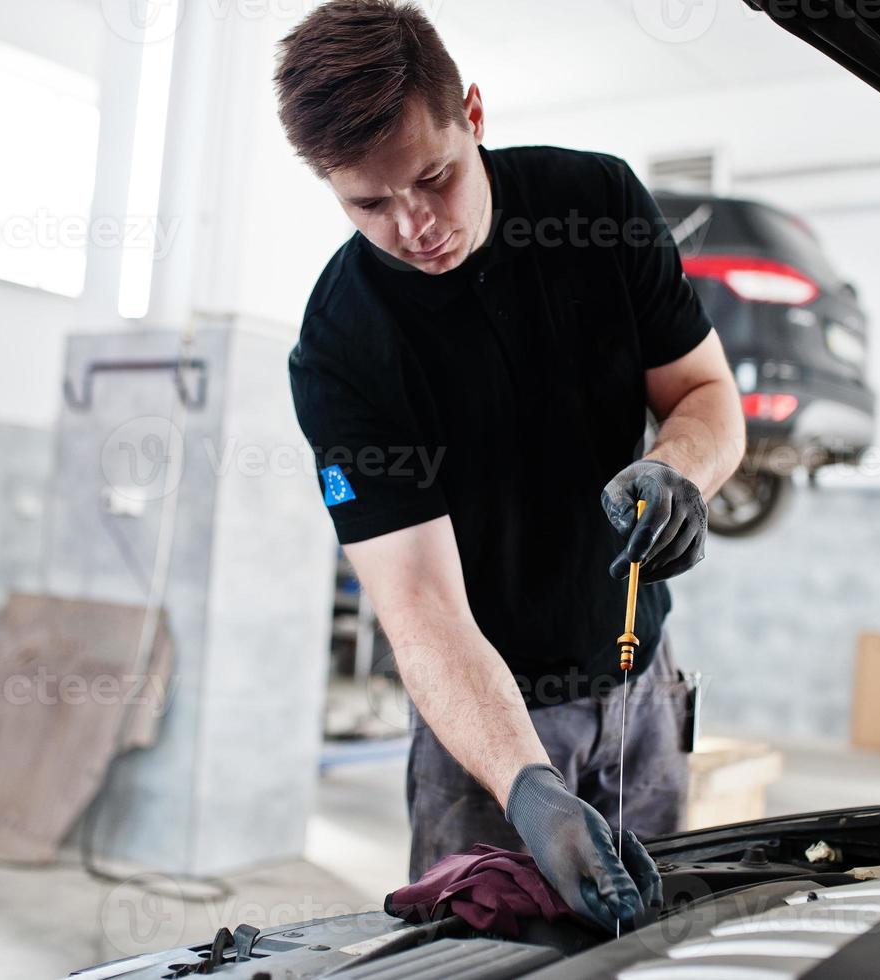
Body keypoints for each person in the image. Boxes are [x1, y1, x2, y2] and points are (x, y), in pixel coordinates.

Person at [274, 0, 745, 929]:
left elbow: (707, 395)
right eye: (367, 203)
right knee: (482, 955)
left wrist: (682, 470)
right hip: (482, 730)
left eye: (433, 179)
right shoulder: (341, 346)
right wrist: (523, 783)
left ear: (474, 116)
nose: (413, 226)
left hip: (642, 686)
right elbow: (418, 610)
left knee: (647, 946)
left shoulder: (598, 208)